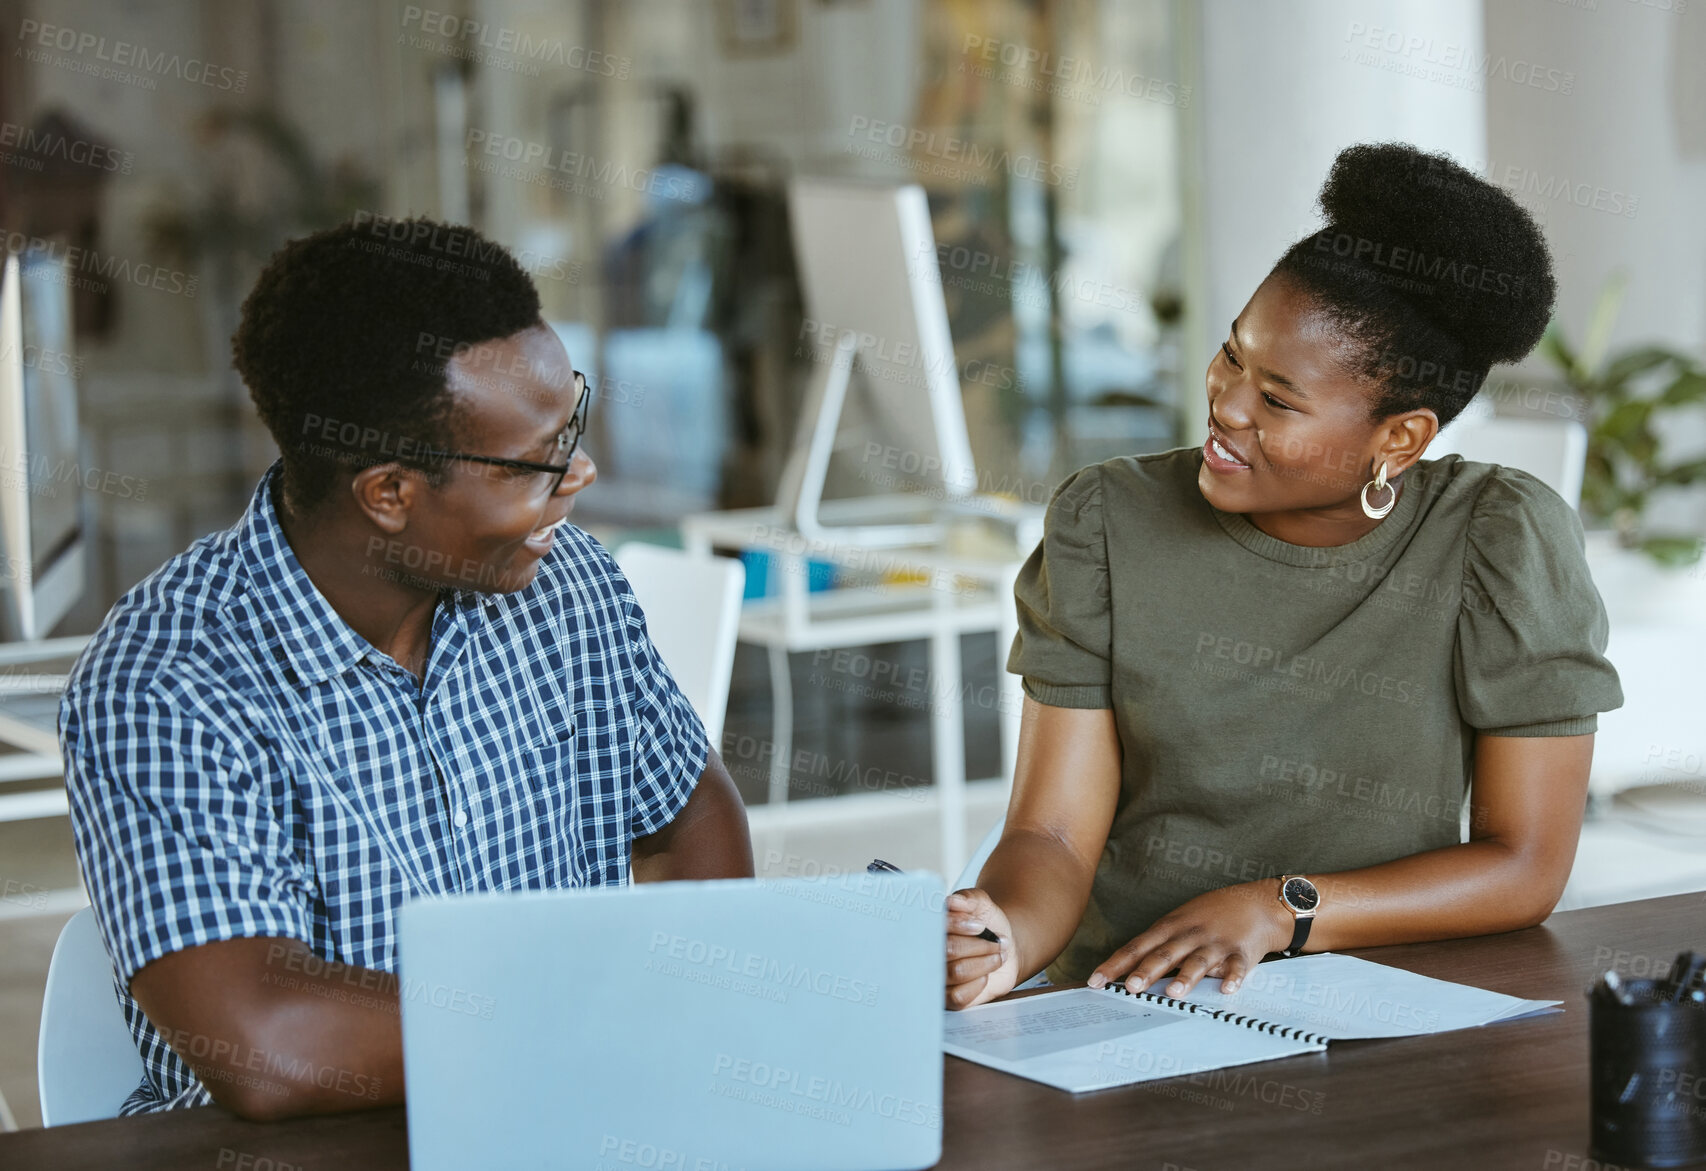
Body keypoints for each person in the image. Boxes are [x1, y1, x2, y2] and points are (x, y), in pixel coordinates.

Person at [59, 215, 753, 1118]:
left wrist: (678, 1013)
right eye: (536, 461)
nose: (579, 472)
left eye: (570, 417)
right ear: (390, 493)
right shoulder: (169, 683)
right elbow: (267, 1042)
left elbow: (686, 810)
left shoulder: (566, 585)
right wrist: (609, 1013)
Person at [945, 143, 1623, 1009]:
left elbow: (1524, 865)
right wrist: (1007, 940)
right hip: (1127, 1005)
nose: (1226, 405)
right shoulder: (1107, 522)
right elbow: (1052, 834)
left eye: (1277, 399)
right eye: (1232, 356)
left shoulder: (1500, 539)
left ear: (1401, 439)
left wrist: (1280, 909)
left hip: (1379, 1007)